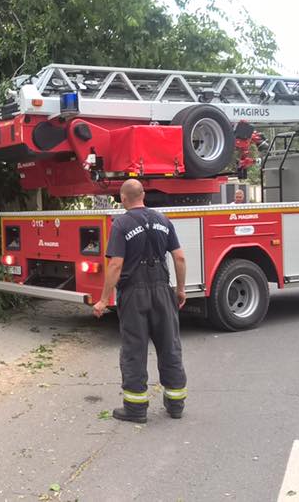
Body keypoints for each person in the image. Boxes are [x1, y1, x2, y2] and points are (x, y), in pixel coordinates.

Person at [93, 179, 188, 424]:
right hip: (162, 290)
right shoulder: (163, 221)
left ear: (123, 198)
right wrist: (180, 290)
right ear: (143, 195)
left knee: (134, 350)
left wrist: (104, 300)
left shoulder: (121, 224)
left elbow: (116, 264)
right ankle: (176, 404)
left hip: (134, 294)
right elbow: (179, 258)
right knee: (170, 346)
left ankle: (135, 409)